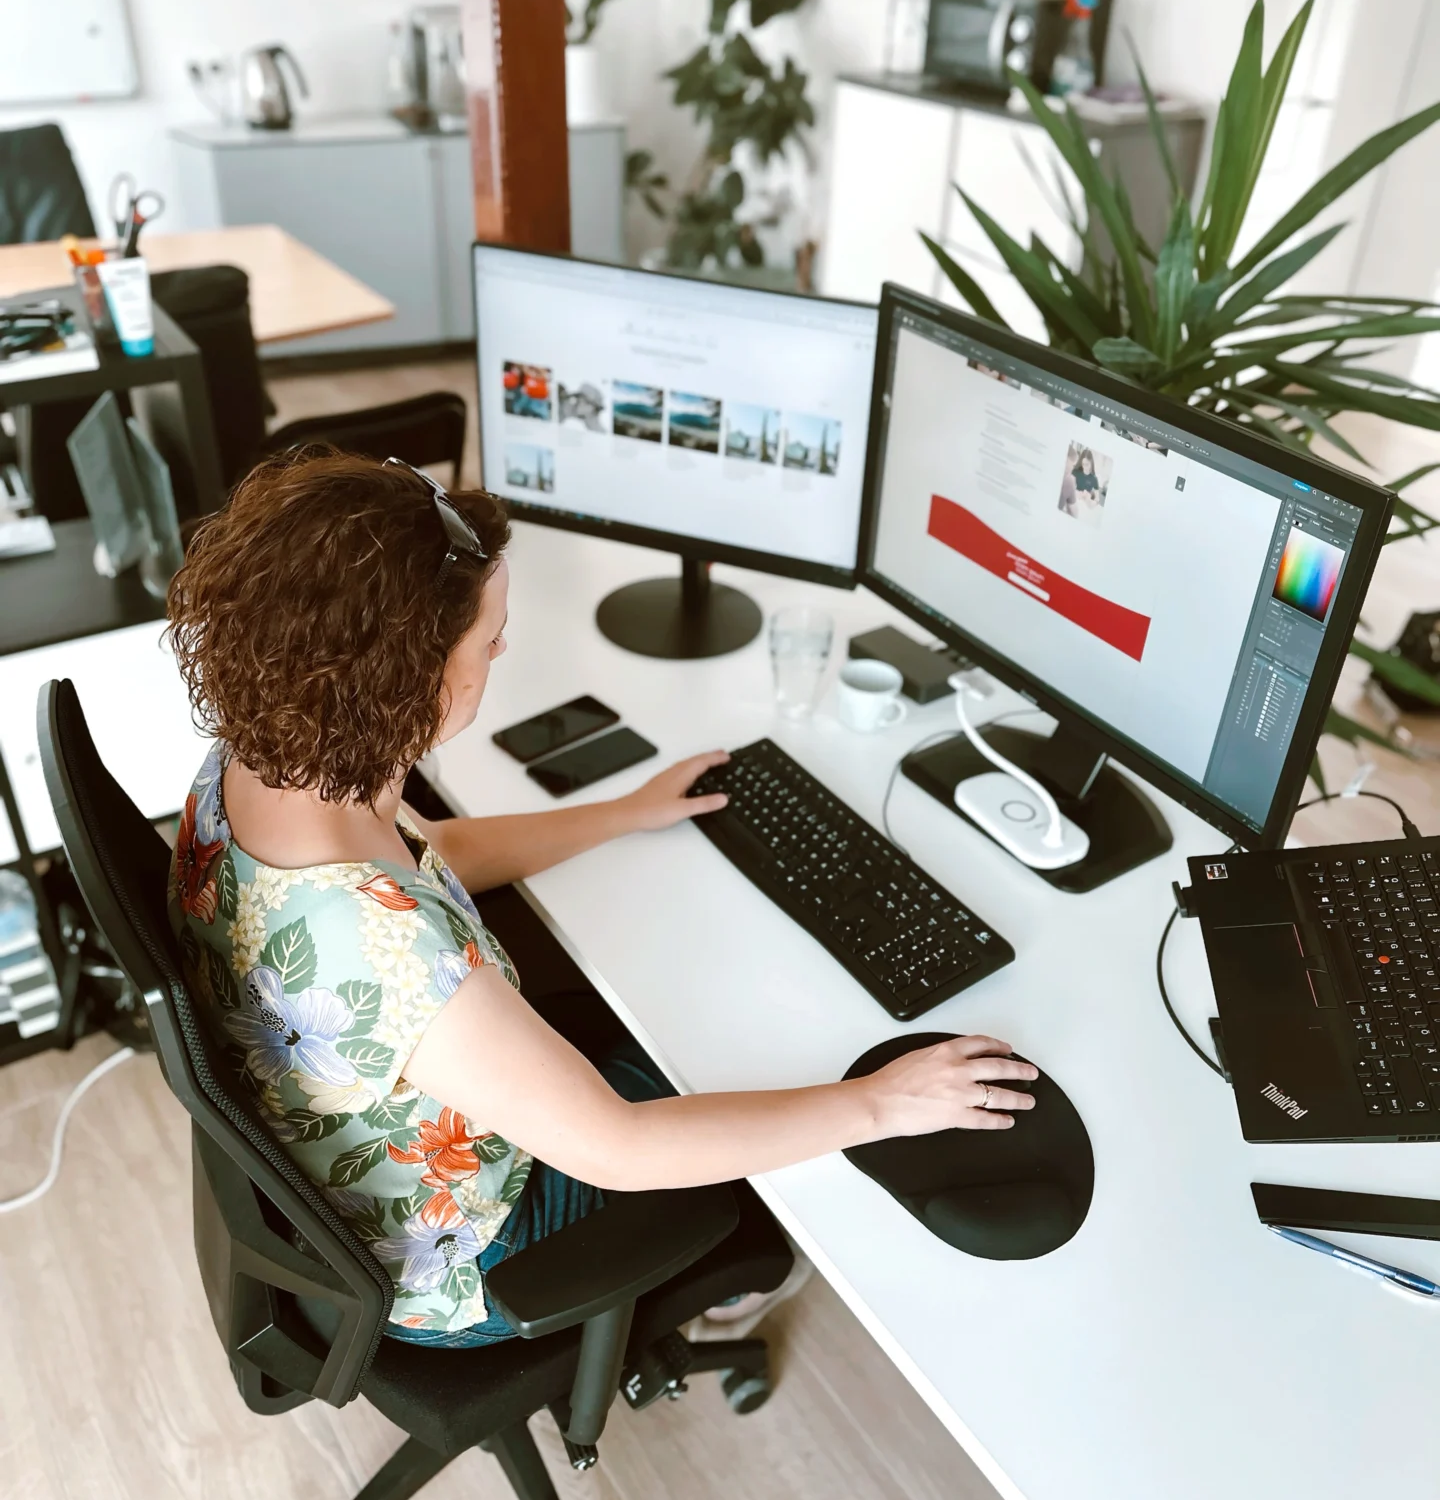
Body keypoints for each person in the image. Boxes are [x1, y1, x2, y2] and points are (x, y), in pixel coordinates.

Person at [165, 451, 1037, 1348]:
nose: (502, 651)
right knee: (748, 1076)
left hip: (350, 1159)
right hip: (467, 1257)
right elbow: (616, 1149)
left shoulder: (265, 755)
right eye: (489, 640)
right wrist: (882, 1104)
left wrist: (624, 812)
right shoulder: (386, 950)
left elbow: (427, 854)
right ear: (409, 679)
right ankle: (736, 1289)